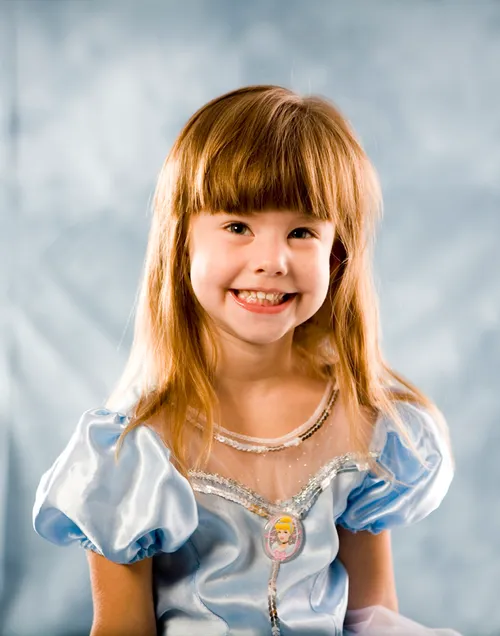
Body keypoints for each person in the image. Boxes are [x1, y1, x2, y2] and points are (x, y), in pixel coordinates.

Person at [32, 85, 462, 636]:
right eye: (238, 227)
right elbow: (122, 628)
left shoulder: (367, 425)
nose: (272, 260)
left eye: (302, 231)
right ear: (182, 240)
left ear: (337, 253)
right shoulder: (132, 450)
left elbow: (374, 616)